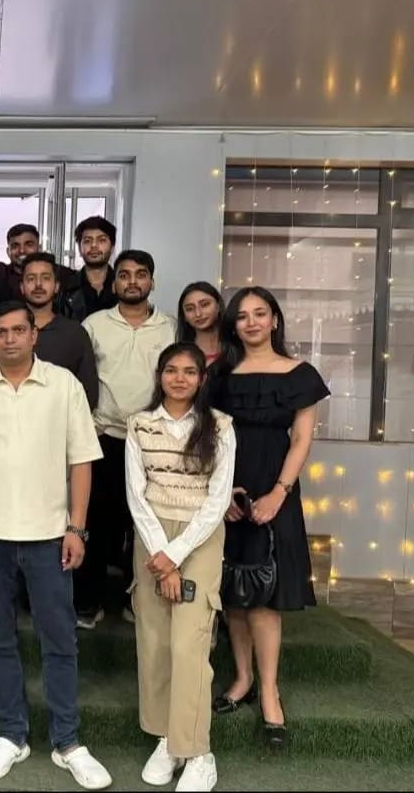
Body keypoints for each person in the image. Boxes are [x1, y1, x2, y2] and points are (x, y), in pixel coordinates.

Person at [0, 302, 111, 790]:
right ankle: (11, 734)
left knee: (59, 640)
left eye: (20, 330)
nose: (11, 339)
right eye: (1, 332)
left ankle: (67, 741)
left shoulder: (63, 385)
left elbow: (81, 460)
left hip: (49, 537)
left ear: (34, 334)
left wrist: (77, 528)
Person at [208, 287, 329, 748]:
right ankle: (242, 680)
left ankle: (270, 692)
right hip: (228, 490)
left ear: (275, 320)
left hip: (276, 490)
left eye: (260, 313)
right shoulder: (220, 375)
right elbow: (210, 437)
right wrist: (222, 493)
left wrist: (279, 493)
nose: (252, 322)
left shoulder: (300, 374)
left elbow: (301, 440)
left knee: (264, 597)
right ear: (233, 325)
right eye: (242, 316)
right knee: (233, 593)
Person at [126, 343, 235, 793]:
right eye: (171, 370)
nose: (179, 379)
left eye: (189, 371)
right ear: (160, 375)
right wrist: (161, 555)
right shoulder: (139, 424)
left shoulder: (221, 427)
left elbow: (218, 499)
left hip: (199, 539)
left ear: (201, 379)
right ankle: (167, 740)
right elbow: (136, 495)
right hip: (152, 536)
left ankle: (197, 752)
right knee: (155, 642)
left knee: (189, 644)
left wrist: (176, 554)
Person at [78, 250, 176, 629]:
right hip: (104, 438)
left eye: (140, 274)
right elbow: (80, 379)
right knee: (97, 523)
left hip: (153, 442)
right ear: (114, 281)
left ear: (152, 281)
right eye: (124, 275)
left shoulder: (170, 328)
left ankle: (139, 601)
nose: (132, 281)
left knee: (145, 526)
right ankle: (89, 602)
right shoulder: (94, 324)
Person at [20, 252, 98, 408]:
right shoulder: (7, 331)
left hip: (62, 420)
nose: (38, 285)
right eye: (31, 279)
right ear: (22, 287)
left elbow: (88, 395)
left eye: (46, 278)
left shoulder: (75, 333)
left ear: (56, 287)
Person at [60, 216, 118, 323]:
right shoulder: (65, 287)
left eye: (101, 240)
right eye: (87, 241)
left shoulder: (123, 285)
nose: (94, 246)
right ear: (79, 248)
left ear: (112, 247)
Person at [177, 282, 225, 364]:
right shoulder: (179, 355)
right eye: (190, 309)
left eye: (205, 305)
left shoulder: (238, 348)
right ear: (184, 316)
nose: (198, 314)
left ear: (218, 306)